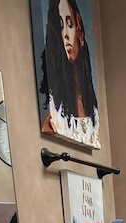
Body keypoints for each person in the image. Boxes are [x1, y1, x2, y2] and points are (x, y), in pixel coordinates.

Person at [39, 0, 100, 148]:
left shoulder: (94, 110)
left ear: (79, 26)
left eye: (69, 24)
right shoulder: (54, 115)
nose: (65, 35)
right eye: (60, 26)